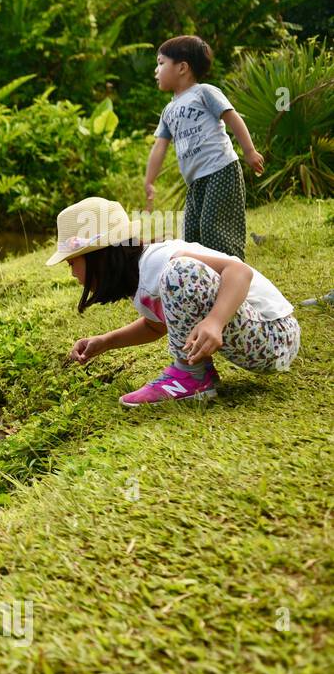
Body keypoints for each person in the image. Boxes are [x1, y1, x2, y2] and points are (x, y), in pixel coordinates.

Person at [45, 198, 299, 406]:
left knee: (180, 272)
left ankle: (191, 377)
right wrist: (104, 342)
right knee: (175, 276)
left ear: (98, 256)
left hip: (274, 335)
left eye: (72, 263)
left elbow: (239, 272)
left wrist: (215, 321)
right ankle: (200, 373)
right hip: (263, 340)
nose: (72, 273)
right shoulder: (142, 276)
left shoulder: (159, 261)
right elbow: (156, 325)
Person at [144, 35, 263, 261]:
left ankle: (233, 272)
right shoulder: (168, 111)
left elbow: (232, 117)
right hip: (195, 181)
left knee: (214, 229)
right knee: (192, 235)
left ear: (182, 67)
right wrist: (149, 180)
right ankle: (208, 280)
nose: (156, 70)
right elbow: (160, 146)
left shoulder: (204, 92)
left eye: (160, 63)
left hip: (221, 169)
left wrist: (249, 151)